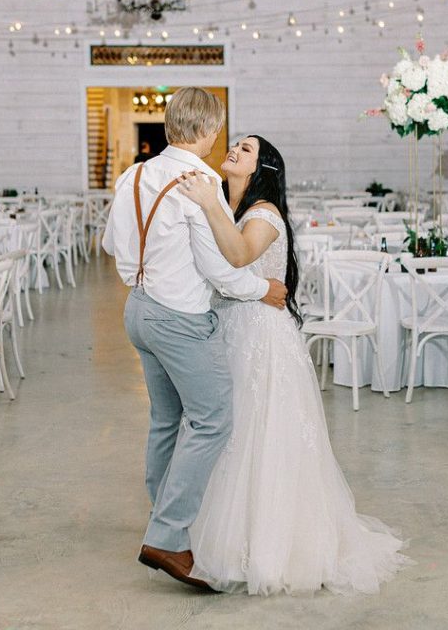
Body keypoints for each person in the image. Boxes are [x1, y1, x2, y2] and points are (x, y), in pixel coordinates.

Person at [177, 135, 411, 595]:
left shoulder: (264, 213)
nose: (235, 150)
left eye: (245, 149)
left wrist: (207, 204)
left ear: (261, 168)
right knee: (229, 430)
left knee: (260, 432)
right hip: (233, 329)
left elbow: (240, 256)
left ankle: (268, 548)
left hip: (261, 336)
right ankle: (222, 537)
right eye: (237, 144)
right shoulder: (234, 208)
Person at [103, 89, 289, 591]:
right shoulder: (201, 182)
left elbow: (110, 244)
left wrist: (147, 270)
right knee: (213, 419)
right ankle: (167, 535)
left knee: (166, 419)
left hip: (137, 310)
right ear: (209, 131)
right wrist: (263, 289)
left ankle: (161, 509)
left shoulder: (133, 174)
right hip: (180, 319)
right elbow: (222, 271)